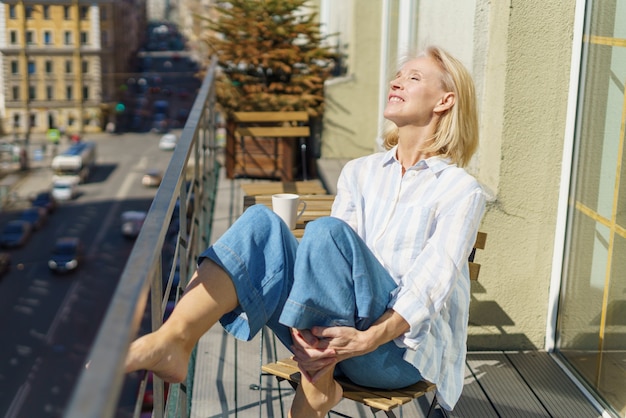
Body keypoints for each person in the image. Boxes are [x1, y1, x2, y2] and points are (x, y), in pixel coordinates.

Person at [125, 45, 486, 416]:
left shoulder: (460, 190)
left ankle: (317, 382)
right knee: (261, 223)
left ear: (444, 101)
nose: (396, 82)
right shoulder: (359, 172)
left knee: (325, 232)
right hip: (333, 337)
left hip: (393, 354)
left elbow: (431, 284)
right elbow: (334, 272)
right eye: (398, 75)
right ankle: (175, 339)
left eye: (413, 77)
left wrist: (366, 339)